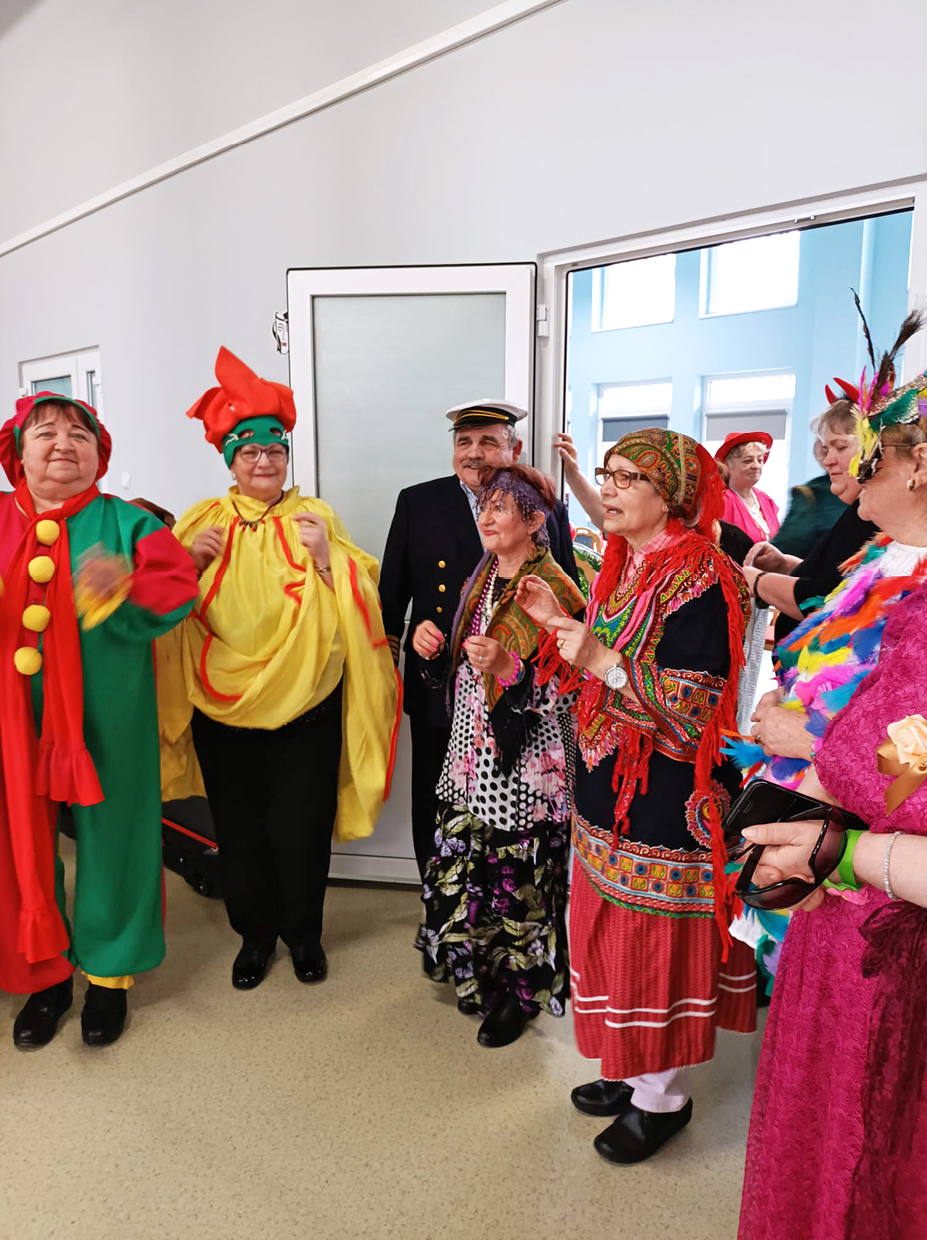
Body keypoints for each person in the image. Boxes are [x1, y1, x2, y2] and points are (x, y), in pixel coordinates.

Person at [520, 428, 756, 1163]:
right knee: (610, 929)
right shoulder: (625, 563)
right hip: (610, 785)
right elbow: (603, 661)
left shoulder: (707, 574)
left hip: (664, 794)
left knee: (652, 941)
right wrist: (558, 628)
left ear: (671, 495)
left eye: (628, 478)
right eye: (607, 473)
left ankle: (662, 1098)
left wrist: (599, 657)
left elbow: (696, 706)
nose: (609, 489)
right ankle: (629, 1068)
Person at [737, 360, 927, 1239]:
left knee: (865, 1140)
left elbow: (895, 758)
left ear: (914, 464)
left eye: (868, 451)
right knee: (821, 1125)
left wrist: (807, 747)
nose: (851, 468)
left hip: (885, 926)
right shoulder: (878, 561)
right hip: (839, 887)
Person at [161, 347, 399, 990]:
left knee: (301, 830)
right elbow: (163, 608)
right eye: (250, 452)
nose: (264, 461)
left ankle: (304, 935)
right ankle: (254, 937)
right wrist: (188, 562)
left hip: (307, 704)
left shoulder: (315, 516)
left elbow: (363, 598)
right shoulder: (201, 521)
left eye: (274, 450)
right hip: (221, 707)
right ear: (231, 460)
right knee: (239, 830)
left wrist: (327, 561)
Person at [0, 393, 198, 1048]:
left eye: (80, 434)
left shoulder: (127, 522)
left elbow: (178, 585)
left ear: (98, 455)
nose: (64, 443)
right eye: (46, 433)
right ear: (18, 454)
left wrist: (129, 586)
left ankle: (109, 976)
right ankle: (44, 975)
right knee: (17, 843)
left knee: (118, 835)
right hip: (10, 716)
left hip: (111, 710)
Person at [414, 464, 585, 1047]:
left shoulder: (557, 588)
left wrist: (511, 668)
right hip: (469, 756)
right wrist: (433, 648)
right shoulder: (481, 577)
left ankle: (522, 993)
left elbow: (574, 687)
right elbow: (465, 668)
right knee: (468, 867)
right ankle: (480, 972)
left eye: (500, 507)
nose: (485, 517)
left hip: (526, 768)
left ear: (534, 521)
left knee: (518, 880)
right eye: (483, 506)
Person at [379, 401, 580, 880]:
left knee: (512, 821)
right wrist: (410, 640)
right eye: (464, 442)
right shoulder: (417, 501)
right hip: (440, 684)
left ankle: (501, 906)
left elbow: (567, 598)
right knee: (435, 803)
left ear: (515, 449)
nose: (474, 453)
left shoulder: (542, 507)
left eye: (489, 441)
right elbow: (392, 598)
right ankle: (438, 900)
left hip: (522, 698)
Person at [743, 390, 876, 643]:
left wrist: (757, 580)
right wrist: (785, 565)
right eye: (826, 449)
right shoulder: (856, 510)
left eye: (840, 447)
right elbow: (836, 577)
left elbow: (825, 600)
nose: (828, 460)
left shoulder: (868, 515)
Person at [715, 431, 780, 542]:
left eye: (760, 460)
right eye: (748, 461)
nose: (756, 465)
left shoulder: (766, 500)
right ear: (727, 465)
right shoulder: (721, 502)